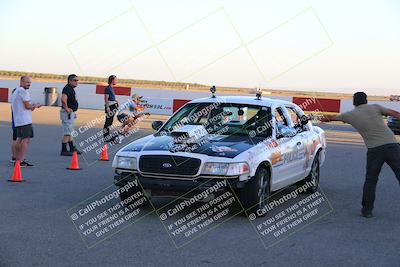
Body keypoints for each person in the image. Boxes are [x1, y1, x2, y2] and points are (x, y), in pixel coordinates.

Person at [322, 92, 400, 218]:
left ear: (354, 102)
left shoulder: (350, 115)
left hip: (374, 150)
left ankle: (367, 210)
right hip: (392, 146)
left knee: (371, 180)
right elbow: (396, 114)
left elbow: (331, 118)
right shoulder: (376, 107)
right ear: (366, 100)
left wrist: (319, 118)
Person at [10, 76, 41, 167]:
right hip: (25, 120)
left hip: (18, 120)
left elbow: (23, 106)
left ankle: (16, 158)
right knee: (26, 140)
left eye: (30, 83)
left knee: (18, 139)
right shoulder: (24, 91)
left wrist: (32, 107)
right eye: (27, 82)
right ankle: (21, 161)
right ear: (22, 82)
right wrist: (35, 105)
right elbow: (27, 106)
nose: (29, 84)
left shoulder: (16, 91)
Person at [60, 74, 80, 156]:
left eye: (77, 80)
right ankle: (64, 150)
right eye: (75, 80)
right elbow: (63, 99)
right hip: (67, 114)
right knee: (67, 132)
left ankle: (72, 148)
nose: (76, 82)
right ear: (70, 81)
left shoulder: (71, 89)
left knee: (70, 131)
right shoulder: (67, 88)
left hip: (70, 113)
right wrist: (67, 109)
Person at [103, 75, 119, 143]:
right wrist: (107, 107)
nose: (116, 81)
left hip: (113, 106)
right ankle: (106, 137)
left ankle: (108, 136)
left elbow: (111, 98)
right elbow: (106, 99)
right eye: (115, 79)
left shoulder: (111, 88)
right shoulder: (108, 88)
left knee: (110, 122)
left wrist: (116, 101)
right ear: (112, 80)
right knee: (107, 123)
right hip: (110, 107)